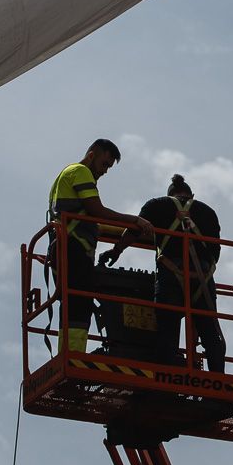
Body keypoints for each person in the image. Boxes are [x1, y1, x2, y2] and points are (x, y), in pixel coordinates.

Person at [48, 139, 153, 354]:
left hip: (66, 247)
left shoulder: (66, 175)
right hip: (73, 247)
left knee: (73, 302)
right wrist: (134, 220)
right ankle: (73, 354)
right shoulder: (80, 171)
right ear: (91, 155)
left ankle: (69, 352)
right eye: (104, 164)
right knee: (79, 302)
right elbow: (97, 210)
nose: (105, 171)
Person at [135, 174, 227, 372]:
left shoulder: (156, 206)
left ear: (169, 195)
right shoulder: (208, 212)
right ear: (191, 195)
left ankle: (165, 380)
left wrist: (116, 250)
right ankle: (218, 382)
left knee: (167, 330)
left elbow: (135, 229)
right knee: (210, 333)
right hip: (203, 277)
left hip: (171, 274)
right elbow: (215, 252)